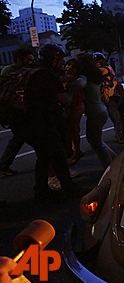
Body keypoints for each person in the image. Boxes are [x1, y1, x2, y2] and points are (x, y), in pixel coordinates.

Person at [25, 44, 85, 202]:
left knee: (44, 156)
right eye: (60, 59)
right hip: (44, 120)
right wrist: (73, 88)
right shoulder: (48, 76)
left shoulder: (32, 71)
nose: (62, 62)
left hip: (27, 121)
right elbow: (65, 100)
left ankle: (41, 190)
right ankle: (69, 188)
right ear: (53, 59)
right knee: (58, 154)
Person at [0, 49, 36, 176]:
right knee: (32, 139)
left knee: (19, 138)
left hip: (21, 111)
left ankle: (4, 165)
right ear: (19, 59)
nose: (30, 63)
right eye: (28, 60)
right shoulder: (9, 71)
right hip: (13, 112)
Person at [79, 54, 117, 169]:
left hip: (95, 112)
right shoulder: (95, 74)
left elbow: (79, 84)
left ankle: (109, 167)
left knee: (95, 142)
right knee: (96, 140)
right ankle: (114, 160)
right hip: (100, 110)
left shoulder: (85, 77)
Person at [93, 52, 124, 144]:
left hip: (112, 96)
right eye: (96, 61)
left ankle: (119, 134)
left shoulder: (107, 68)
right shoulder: (97, 70)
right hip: (103, 97)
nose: (98, 63)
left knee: (116, 116)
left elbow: (100, 72)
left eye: (99, 61)